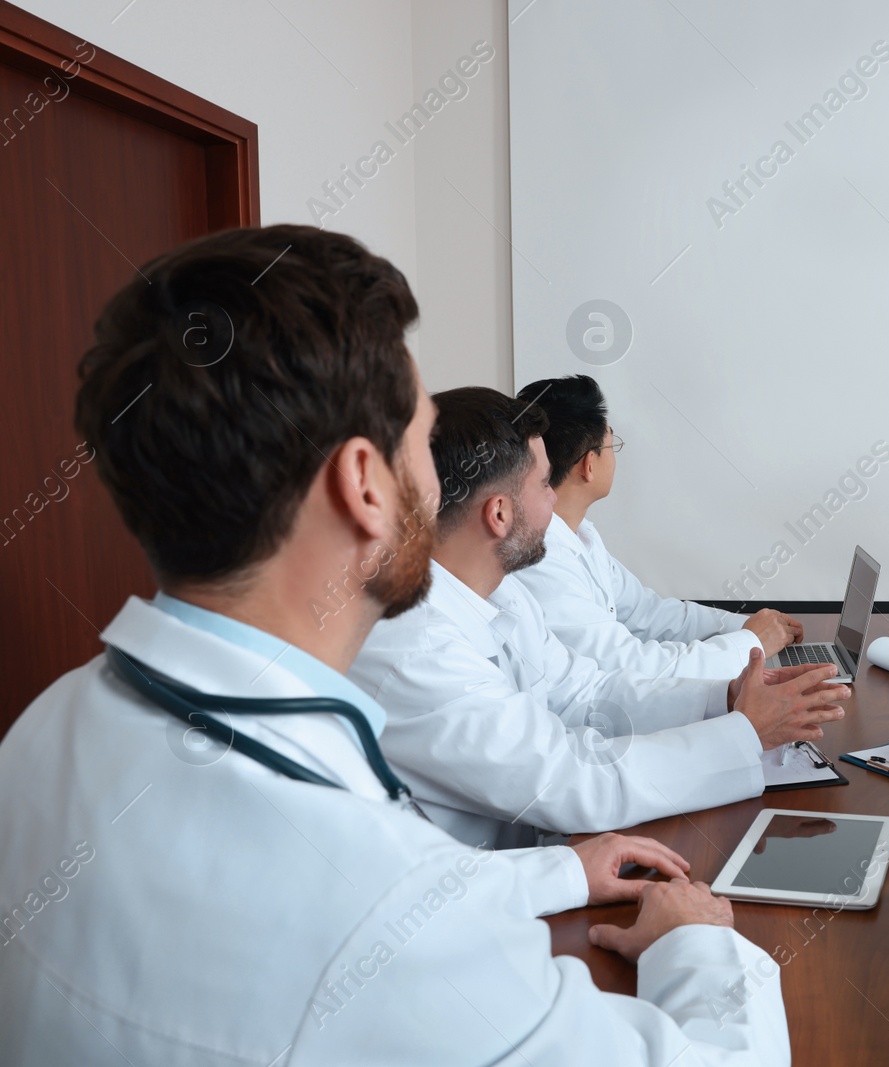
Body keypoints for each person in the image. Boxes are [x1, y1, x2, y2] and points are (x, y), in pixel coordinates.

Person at [0, 225, 790, 1064]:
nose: (435, 474)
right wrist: (696, 942)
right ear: (364, 485)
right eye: (422, 437)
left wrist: (558, 873)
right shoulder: (376, 907)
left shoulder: (39, 732)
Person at [350, 386, 847, 848]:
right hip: (484, 902)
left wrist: (722, 697)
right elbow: (571, 779)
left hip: (538, 859)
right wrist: (742, 735)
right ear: (498, 514)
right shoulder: (414, 649)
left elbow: (586, 695)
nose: (554, 498)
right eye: (545, 484)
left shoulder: (501, 596)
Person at [512, 374, 802, 678]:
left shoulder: (581, 535)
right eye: (613, 445)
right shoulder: (540, 558)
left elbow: (648, 613)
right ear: (589, 465)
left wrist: (746, 626)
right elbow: (627, 663)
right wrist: (751, 643)